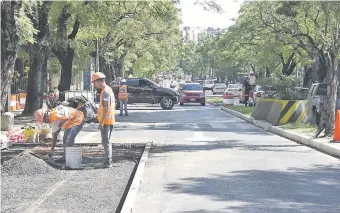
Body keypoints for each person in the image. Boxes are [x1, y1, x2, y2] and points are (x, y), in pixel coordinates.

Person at [91, 72, 115, 168]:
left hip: (106, 121)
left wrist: (101, 122)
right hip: (110, 120)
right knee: (107, 140)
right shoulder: (109, 90)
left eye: (95, 83)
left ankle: (108, 162)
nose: (94, 85)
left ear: (99, 81)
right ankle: (108, 160)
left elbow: (106, 108)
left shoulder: (105, 91)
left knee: (105, 141)